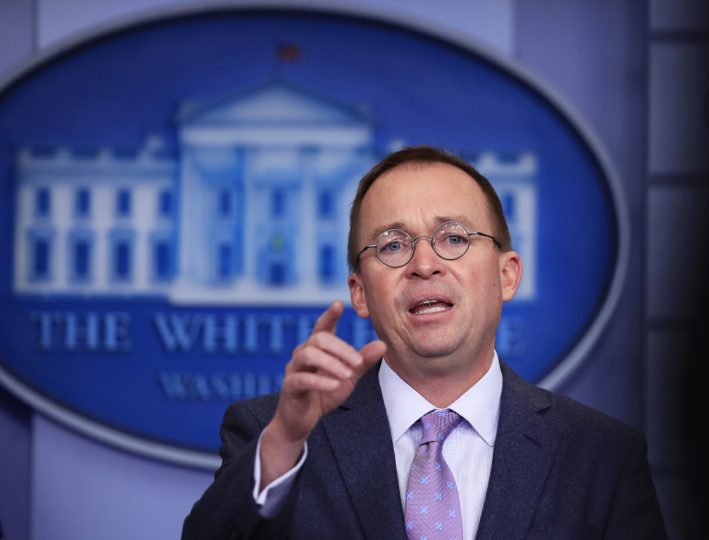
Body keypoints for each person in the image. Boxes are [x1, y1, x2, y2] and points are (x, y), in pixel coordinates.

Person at [182, 146, 667, 539]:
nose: (424, 264)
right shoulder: (273, 434)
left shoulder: (601, 456)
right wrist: (286, 441)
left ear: (507, 275)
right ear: (360, 292)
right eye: (392, 245)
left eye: (453, 238)